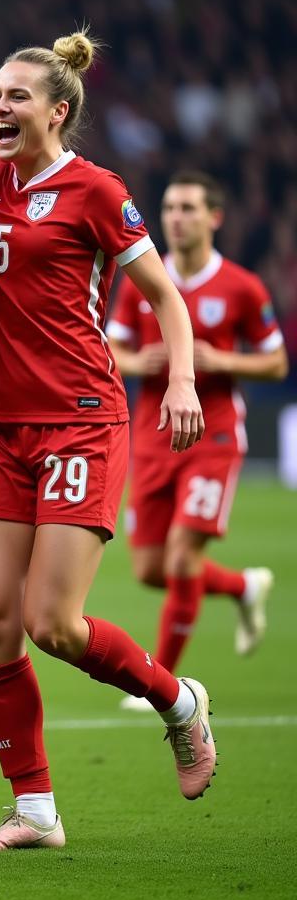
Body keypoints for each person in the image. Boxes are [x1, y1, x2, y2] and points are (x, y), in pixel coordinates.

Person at [0, 30, 214, 853]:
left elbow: (165, 295)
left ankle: (178, 702)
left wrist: (181, 380)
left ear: (58, 111)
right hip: (3, 432)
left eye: (16, 96)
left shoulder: (96, 191)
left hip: (81, 423)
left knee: (50, 624)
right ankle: (34, 813)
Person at [107, 171, 287, 706]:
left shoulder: (241, 287)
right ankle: (242, 586)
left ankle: (160, 684)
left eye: (188, 208)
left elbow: (276, 362)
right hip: (152, 438)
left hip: (214, 437)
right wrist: (142, 361)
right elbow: (110, 349)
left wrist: (223, 360)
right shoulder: (143, 278)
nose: (175, 218)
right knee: (150, 570)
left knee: (183, 559)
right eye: (169, 208)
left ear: (214, 217)